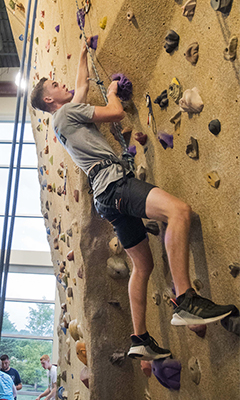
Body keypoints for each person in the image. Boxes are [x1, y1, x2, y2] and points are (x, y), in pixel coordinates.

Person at [30, 36, 235, 361]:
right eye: (55, 85)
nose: (63, 85)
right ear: (50, 100)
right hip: (113, 183)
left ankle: (139, 338)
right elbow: (114, 113)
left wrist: (82, 52)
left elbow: (80, 85)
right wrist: (112, 94)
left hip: (104, 196)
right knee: (179, 212)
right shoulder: (66, 113)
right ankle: (186, 299)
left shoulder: (63, 119)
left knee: (142, 264)